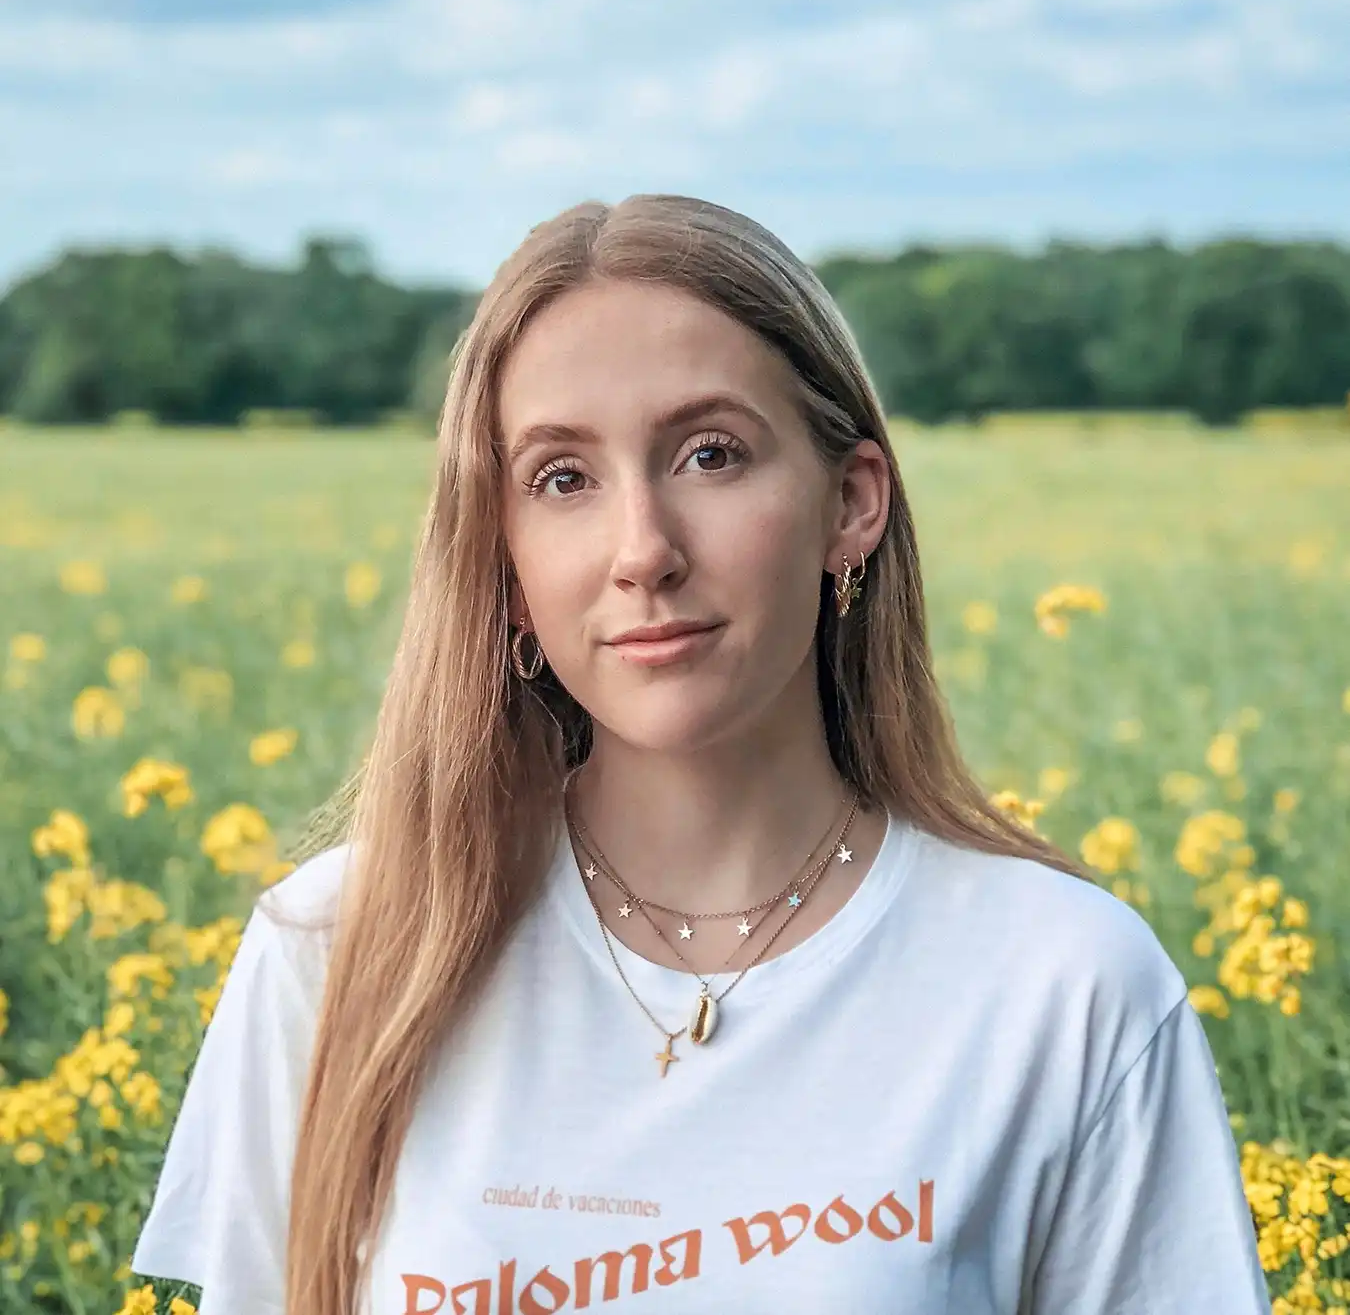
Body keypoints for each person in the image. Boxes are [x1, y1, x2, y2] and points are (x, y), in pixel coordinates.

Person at [130, 194, 1270, 1314]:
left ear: (852, 503)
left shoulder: (1065, 989)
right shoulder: (335, 955)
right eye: (562, 479)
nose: (643, 551)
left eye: (711, 454)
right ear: (506, 568)